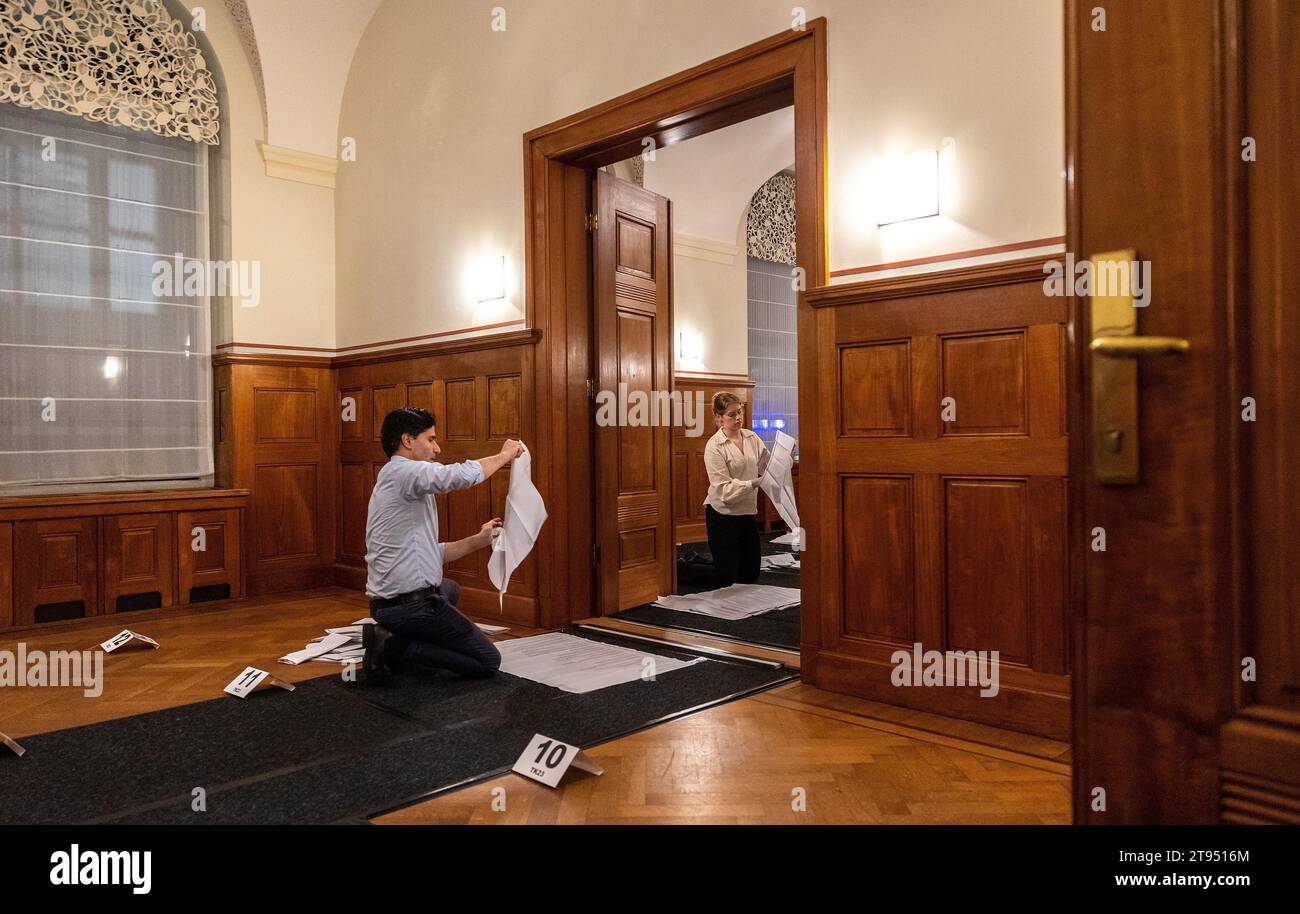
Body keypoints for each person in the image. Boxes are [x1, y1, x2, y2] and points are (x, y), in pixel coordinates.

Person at [361, 406, 524, 683]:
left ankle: (396, 635)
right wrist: (504, 456)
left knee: (450, 588)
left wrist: (478, 540)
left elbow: (431, 554)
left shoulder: (398, 480)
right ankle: (395, 646)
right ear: (408, 441)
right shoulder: (406, 473)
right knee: (486, 661)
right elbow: (457, 476)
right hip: (409, 607)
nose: (436, 449)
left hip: (388, 605)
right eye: (431, 439)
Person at [701, 392, 770, 587]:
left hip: (746, 512)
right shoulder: (714, 447)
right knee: (725, 578)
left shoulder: (752, 437)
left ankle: (713, 559)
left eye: (739, 412)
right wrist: (755, 483)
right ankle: (683, 567)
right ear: (718, 418)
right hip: (722, 513)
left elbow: (767, 464)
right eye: (732, 414)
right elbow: (724, 491)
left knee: (749, 576)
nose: (738, 417)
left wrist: (783, 461)